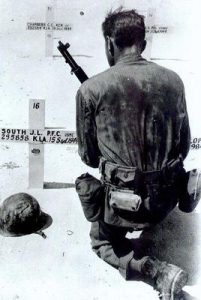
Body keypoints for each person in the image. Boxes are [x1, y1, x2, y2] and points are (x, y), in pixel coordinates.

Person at [75, 8, 191, 300]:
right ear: (144, 43)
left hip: (122, 208)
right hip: (166, 203)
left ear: (109, 44)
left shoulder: (90, 89)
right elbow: (184, 146)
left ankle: (155, 271)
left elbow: (88, 157)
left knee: (101, 243)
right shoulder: (174, 81)